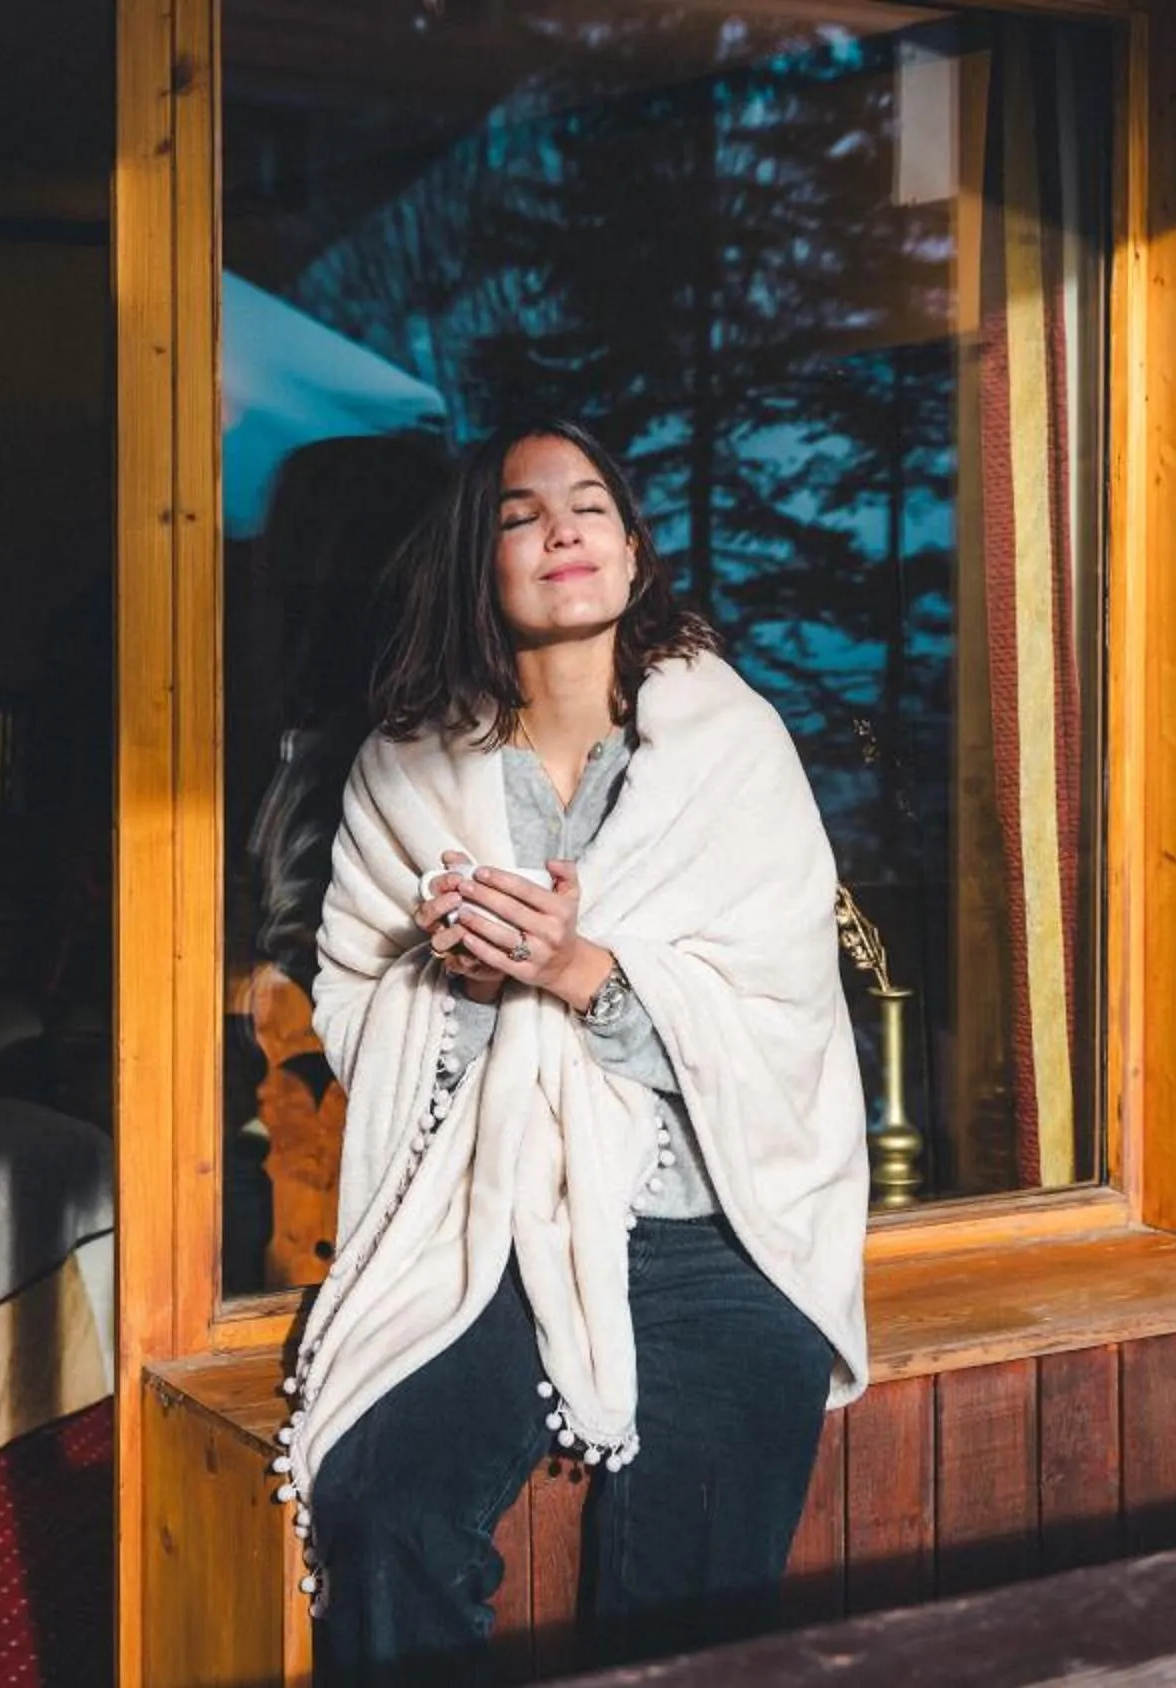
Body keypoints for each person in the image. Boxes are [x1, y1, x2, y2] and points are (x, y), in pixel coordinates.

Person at [276, 419, 872, 1684]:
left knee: (689, 1598)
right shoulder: (406, 769)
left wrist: (576, 969)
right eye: (517, 512)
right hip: (487, 1220)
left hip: (710, 1225)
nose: (560, 526)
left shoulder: (731, 751)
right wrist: (463, 983)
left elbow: (780, 1019)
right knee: (384, 1505)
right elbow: (352, 990)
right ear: (472, 565)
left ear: (633, 550)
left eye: (589, 502)